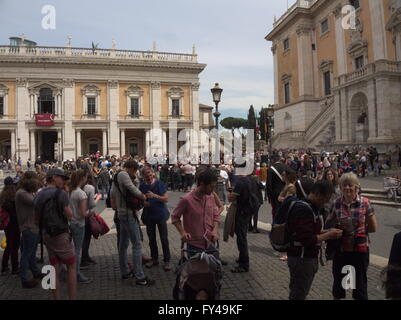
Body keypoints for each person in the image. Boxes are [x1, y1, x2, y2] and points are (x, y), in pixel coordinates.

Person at [286, 180, 343, 300]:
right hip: (301, 258)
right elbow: (307, 239)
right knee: (298, 294)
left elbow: (310, 232)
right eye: (325, 198)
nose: (327, 202)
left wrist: (328, 231)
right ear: (317, 193)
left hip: (305, 257)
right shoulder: (304, 209)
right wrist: (329, 235)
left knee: (300, 291)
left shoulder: (311, 207)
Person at [326, 172, 378, 300]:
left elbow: (373, 228)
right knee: (338, 285)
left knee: (359, 286)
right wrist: (336, 229)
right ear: (340, 186)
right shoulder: (336, 203)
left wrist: (360, 230)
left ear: (356, 187)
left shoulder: (365, 202)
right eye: (344, 185)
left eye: (350, 185)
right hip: (341, 250)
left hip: (359, 250)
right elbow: (328, 224)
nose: (347, 188)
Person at [34, 168, 76, 300]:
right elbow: (70, 216)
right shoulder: (61, 193)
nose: (64, 181)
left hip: (46, 235)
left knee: (53, 268)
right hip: (61, 234)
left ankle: (56, 298)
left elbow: (36, 218)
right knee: (71, 265)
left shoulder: (39, 194)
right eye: (62, 178)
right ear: (54, 178)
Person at [110, 160, 154, 286]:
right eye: (134, 170)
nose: (135, 173)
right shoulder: (123, 174)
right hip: (128, 213)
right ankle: (140, 276)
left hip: (121, 213)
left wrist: (135, 180)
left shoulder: (117, 176)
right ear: (131, 168)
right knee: (137, 244)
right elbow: (133, 189)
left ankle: (125, 271)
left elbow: (113, 193)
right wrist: (143, 197)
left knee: (123, 244)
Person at [172, 168, 220, 259]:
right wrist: (182, 232)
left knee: (211, 270)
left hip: (210, 242)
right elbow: (175, 217)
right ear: (202, 184)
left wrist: (215, 231)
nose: (213, 190)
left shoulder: (211, 197)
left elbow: (215, 216)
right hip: (194, 245)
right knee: (196, 271)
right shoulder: (186, 199)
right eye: (211, 187)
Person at [228, 164, 262, 273]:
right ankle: (242, 258)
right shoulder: (251, 179)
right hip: (249, 210)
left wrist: (230, 192)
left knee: (241, 237)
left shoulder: (240, 182)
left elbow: (231, 198)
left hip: (242, 211)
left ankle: (244, 264)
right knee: (242, 235)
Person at [139, 168, 171, 271]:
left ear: (153, 174)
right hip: (149, 215)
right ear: (143, 176)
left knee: (164, 238)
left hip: (160, 214)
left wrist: (154, 196)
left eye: (150, 174)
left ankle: (167, 260)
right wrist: (143, 202)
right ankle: (154, 258)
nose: (149, 176)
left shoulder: (159, 184)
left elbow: (165, 199)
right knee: (151, 238)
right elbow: (140, 199)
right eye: (146, 175)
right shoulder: (142, 186)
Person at [15, 171, 42, 288]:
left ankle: (35, 272)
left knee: (31, 253)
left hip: (32, 226)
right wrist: (41, 192)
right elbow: (36, 202)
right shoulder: (21, 193)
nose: (37, 182)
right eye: (35, 180)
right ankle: (24, 279)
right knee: (26, 253)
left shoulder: (27, 192)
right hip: (28, 227)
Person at [68, 170, 92, 284]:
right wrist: (91, 211)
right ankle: (76, 274)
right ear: (82, 178)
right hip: (79, 224)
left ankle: (70, 272)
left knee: (71, 250)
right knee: (77, 251)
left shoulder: (70, 192)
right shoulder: (81, 193)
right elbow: (84, 213)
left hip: (71, 223)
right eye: (86, 178)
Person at [0, 177, 20, 276]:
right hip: (14, 223)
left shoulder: (3, 195)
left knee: (9, 245)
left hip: (7, 224)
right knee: (15, 246)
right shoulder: (14, 195)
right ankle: (15, 268)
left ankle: (4, 266)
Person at [81, 174, 101, 267]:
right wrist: (97, 198)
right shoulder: (90, 188)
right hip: (88, 214)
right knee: (86, 237)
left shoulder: (78, 188)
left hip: (80, 215)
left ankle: (85, 256)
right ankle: (84, 258)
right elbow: (92, 204)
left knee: (84, 237)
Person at [266, 155, 287, 220]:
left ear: (272, 160)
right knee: (284, 209)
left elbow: (269, 184)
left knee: (275, 210)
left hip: (275, 193)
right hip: (285, 191)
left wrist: (269, 196)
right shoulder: (285, 167)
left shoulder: (270, 169)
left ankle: (275, 226)